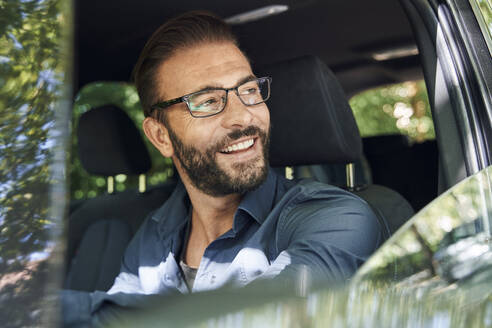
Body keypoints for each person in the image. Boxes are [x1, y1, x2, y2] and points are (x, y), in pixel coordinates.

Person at [105, 10, 382, 296]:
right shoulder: (153, 235)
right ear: (161, 137)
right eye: (208, 101)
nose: (244, 116)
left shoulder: (336, 218)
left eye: (249, 90)